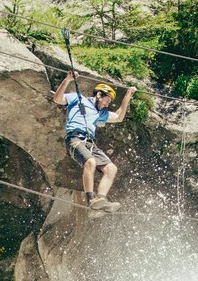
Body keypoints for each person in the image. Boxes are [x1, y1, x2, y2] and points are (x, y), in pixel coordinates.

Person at [53, 71, 137, 212]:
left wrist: (128, 95)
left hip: (90, 143)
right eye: (107, 100)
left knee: (111, 169)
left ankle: (101, 199)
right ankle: (91, 199)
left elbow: (118, 117)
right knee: (90, 162)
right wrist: (67, 80)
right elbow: (57, 99)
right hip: (74, 138)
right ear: (99, 95)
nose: (106, 104)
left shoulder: (100, 113)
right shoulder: (78, 98)